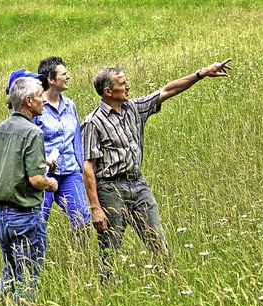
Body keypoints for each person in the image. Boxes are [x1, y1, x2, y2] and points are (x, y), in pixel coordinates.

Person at [81, 59, 232, 279]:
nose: (128, 87)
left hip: (138, 185)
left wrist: (200, 74)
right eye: (123, 84)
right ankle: (105, 289)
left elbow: (168, 90)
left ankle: (169, 284)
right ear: (108, 91)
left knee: (158, 242)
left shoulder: (134, 108)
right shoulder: (93, 122)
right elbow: (87, 167)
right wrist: (95, 207)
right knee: (109, 249)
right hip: (110, 189)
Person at [0, 75, 58, 306]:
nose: (43, 100)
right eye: (39, 96)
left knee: (11, 274)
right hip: (25, 215)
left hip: (0, 217)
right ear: (28, 101)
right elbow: (36, 180)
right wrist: (51, 184)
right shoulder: (33, 132)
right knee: (29, 279)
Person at [35, 57, 91, 236]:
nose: (68, 77)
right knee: (38, 220)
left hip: (70, 172)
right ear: (50, 79)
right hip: (44, 174)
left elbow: (76, 136)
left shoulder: (70, 105)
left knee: (82, 219)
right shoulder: (37, 106)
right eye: (64, 74)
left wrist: (80, 164)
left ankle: (81, 260)